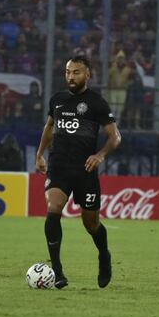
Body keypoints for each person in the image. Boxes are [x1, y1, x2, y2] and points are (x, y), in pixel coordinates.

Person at [36, 55, 122, 289]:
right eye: (68, 72)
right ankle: (57, 271)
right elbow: (50, 127)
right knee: (53, 208)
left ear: (87, 75)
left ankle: (104, 255)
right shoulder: (58, 100)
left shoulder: (96, 103)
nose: (71, 77)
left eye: (76, 72)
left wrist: (100, 155)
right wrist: (40, 154)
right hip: (59, 167)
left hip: (85, 170)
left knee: (91, 224)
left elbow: (115, 137)